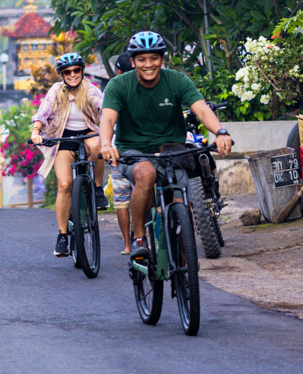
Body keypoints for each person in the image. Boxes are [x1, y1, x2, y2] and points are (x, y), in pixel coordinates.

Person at [99, 32, 232, 259]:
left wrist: (220, 132)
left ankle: (182, 253)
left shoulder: (177, 80)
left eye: (154, 58)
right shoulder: (118, 85)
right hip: (134, 150)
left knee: (181, 193)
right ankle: (140, 238)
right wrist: (104, 144)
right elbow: (108, 119)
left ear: (162, 59)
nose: (148, 64)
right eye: (141, 59)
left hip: (171, 149)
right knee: (146, 173)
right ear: (133, 62)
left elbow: (201, 109)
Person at [30, 52, 106, 258]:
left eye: (76, 70)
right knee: (64, 185)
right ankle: (63, 235)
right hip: (63, 138)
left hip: (89, 133)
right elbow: (43, 112)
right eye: (68, 72)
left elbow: (104, 107)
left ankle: (98, 189)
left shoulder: (90, 89)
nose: (72, 74)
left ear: (82, 71)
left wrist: (112, 122)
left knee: (98, 145)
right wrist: (36, 131)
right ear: (62, 74)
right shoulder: (57, 90)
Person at [112, 51, 134, 255]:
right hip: (143, 150)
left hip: (117, 151)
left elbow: (106, 122)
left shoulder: (115, 90)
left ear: (118, 71)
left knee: (122, 200)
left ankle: (128, 244)